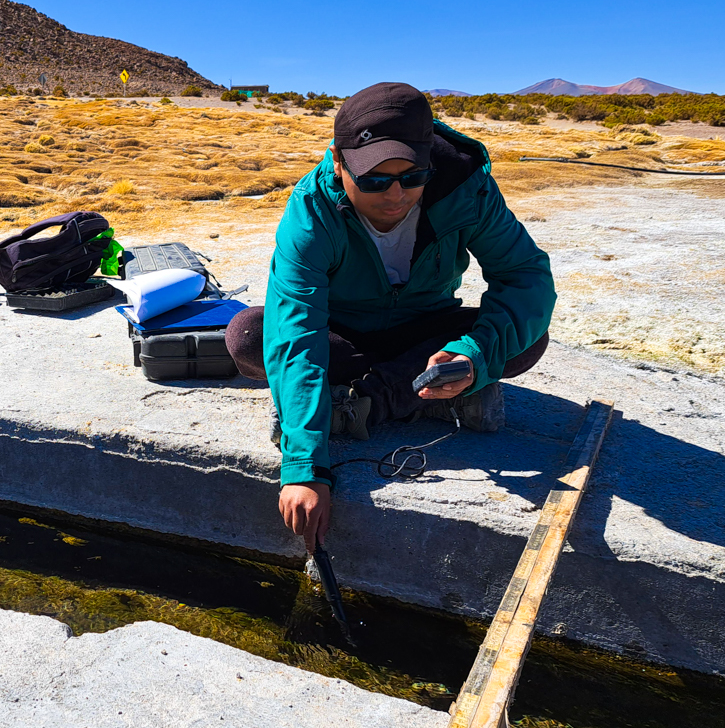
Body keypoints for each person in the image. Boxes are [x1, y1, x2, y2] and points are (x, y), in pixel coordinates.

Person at [225, 82, 556, 552]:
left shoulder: (467, 188)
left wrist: (472, 354)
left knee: (527, 337)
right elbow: (297, 330)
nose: (396, 195)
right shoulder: (311, 210)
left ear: (429, 163)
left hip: (425, 329)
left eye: (412, 176)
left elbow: (526, 277)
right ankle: (428, 397)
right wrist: (305, 470)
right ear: (339, 164)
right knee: (250, 336)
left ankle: (364, 403)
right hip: (341, 333)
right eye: (375, 180)